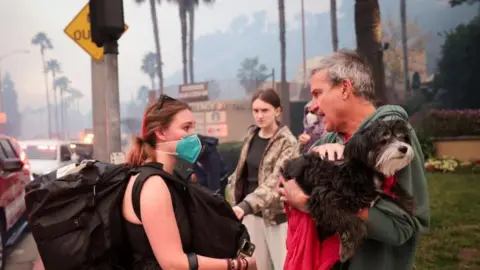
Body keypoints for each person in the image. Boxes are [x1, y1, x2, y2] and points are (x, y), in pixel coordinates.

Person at [278, 50, 430, 270]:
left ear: (345, 89)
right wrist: (312, 158)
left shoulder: (394, 137)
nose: (311, 106)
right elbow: (284, 183)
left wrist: (311, 204)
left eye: (317, 93)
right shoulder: (329, 139)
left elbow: (405, 225)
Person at [123, 95, 256, 269]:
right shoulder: (153, 185)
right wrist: (238, 265)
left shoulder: (170, 178)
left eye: (193, 127)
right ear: (161, 132)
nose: (193, 135)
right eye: (186, 128)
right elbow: (173, 264)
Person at [228, 89, 297, 270]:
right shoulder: (251, 136)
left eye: (265, 110)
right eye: (256, 110)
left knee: (284, 265)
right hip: (250, 217)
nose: (259, 116)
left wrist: (245, 206)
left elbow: (276, 181)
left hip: (276, 217)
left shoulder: (287, 141)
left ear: (277, 111)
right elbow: (239, 175)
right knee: (254, 266)